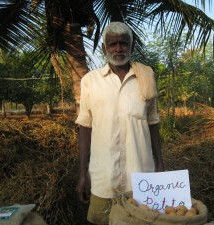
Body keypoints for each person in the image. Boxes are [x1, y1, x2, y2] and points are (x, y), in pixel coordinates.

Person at [75, 22, 165, 225]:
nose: (118, 49)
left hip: (141, 176)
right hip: (103, 178)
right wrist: (83, 174)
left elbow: (153, 122)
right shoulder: (90, 81)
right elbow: (85, 127)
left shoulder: (146, 77)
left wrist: (160, 164)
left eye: (123, 43)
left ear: (130, 47)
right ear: (104, 48)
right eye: (113, 44)